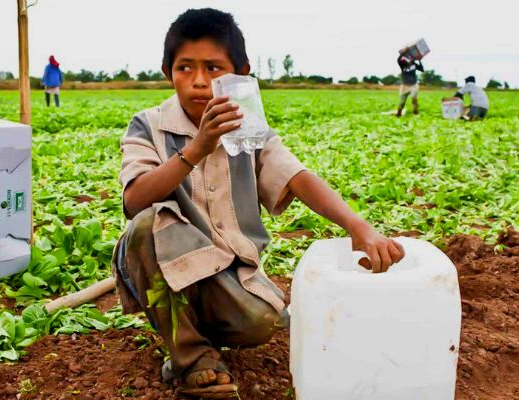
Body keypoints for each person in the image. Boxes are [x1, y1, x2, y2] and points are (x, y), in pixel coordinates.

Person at [111, 8, 405, 399]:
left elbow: (297, 178)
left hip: (226, 270)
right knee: (149, 223)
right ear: (168, 72)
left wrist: (358, 226)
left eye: (214, 68)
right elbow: (134, 200)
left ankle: (193, 330)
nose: (199, 82)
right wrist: (197, 149)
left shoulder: (249, 128)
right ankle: (190, 358)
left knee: (261, 322)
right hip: (163, 260)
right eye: (185, 68)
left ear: (239, 73)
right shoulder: (148, 124)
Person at [396, 52, 424, 117]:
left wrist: (419, 60)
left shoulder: (414, 65)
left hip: (413, 85)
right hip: (404, 86)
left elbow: (422, 69)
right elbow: (398, 59)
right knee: (402, 101)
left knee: (414, 99)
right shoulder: (402, 64)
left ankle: (415, 113)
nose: (411, 59)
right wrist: (402, 53)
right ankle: (398, 114)